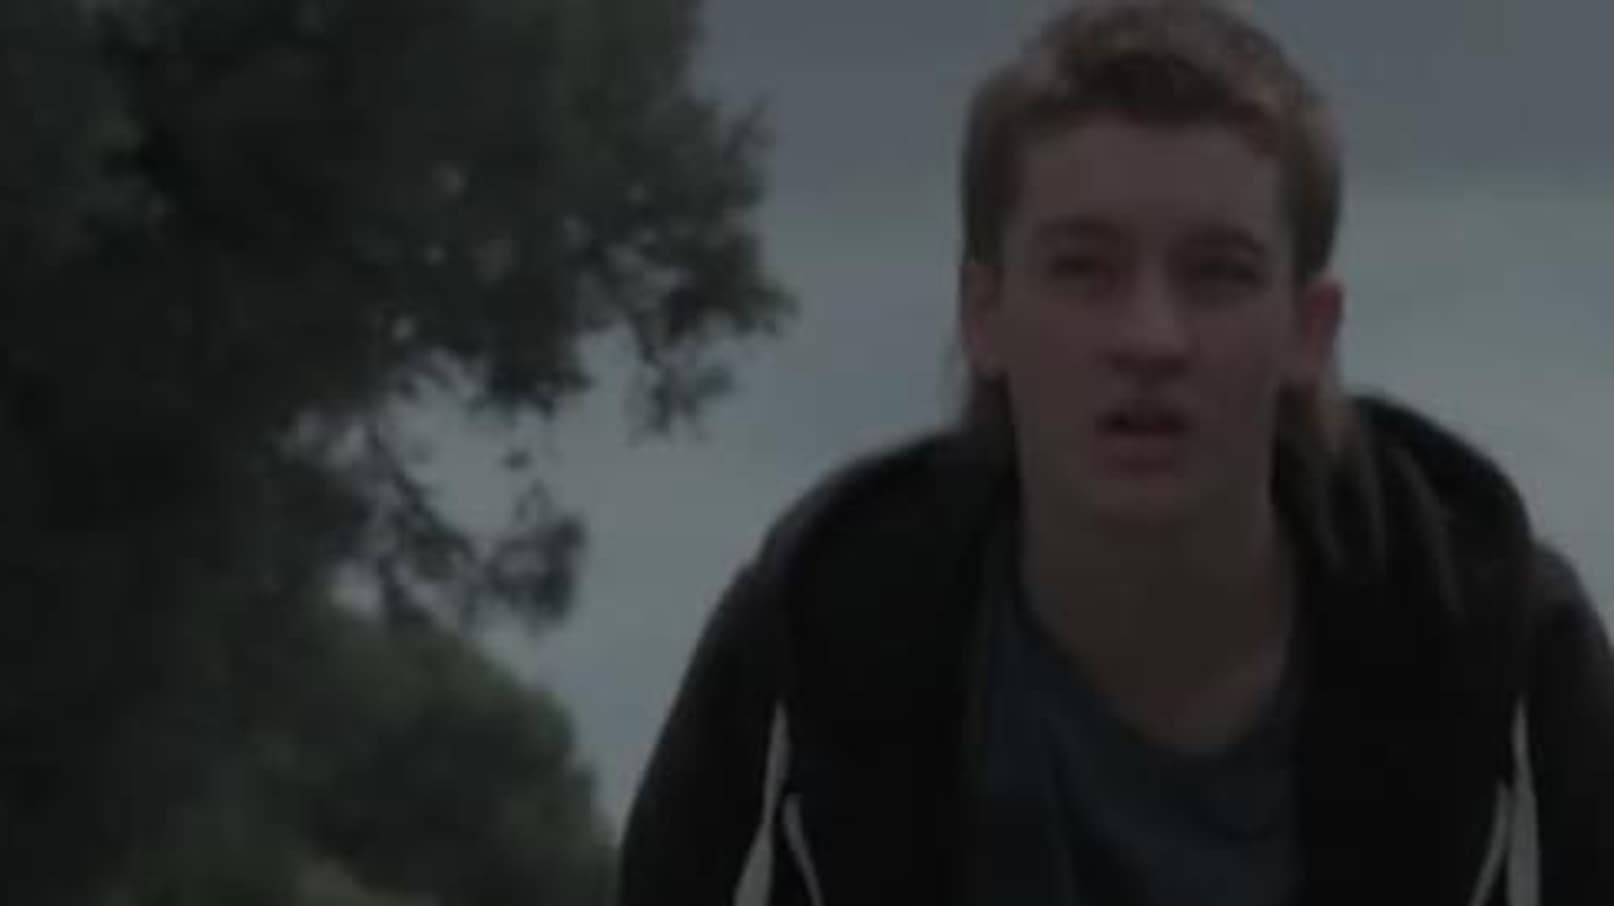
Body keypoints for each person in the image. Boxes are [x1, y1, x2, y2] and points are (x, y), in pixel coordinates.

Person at [616, 2, 1614, 904]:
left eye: (1217, 274)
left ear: (1309, 330)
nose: (1151, 338)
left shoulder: (1502, 665)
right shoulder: (817, 646)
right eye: (1084, 269)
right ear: (984, 313)